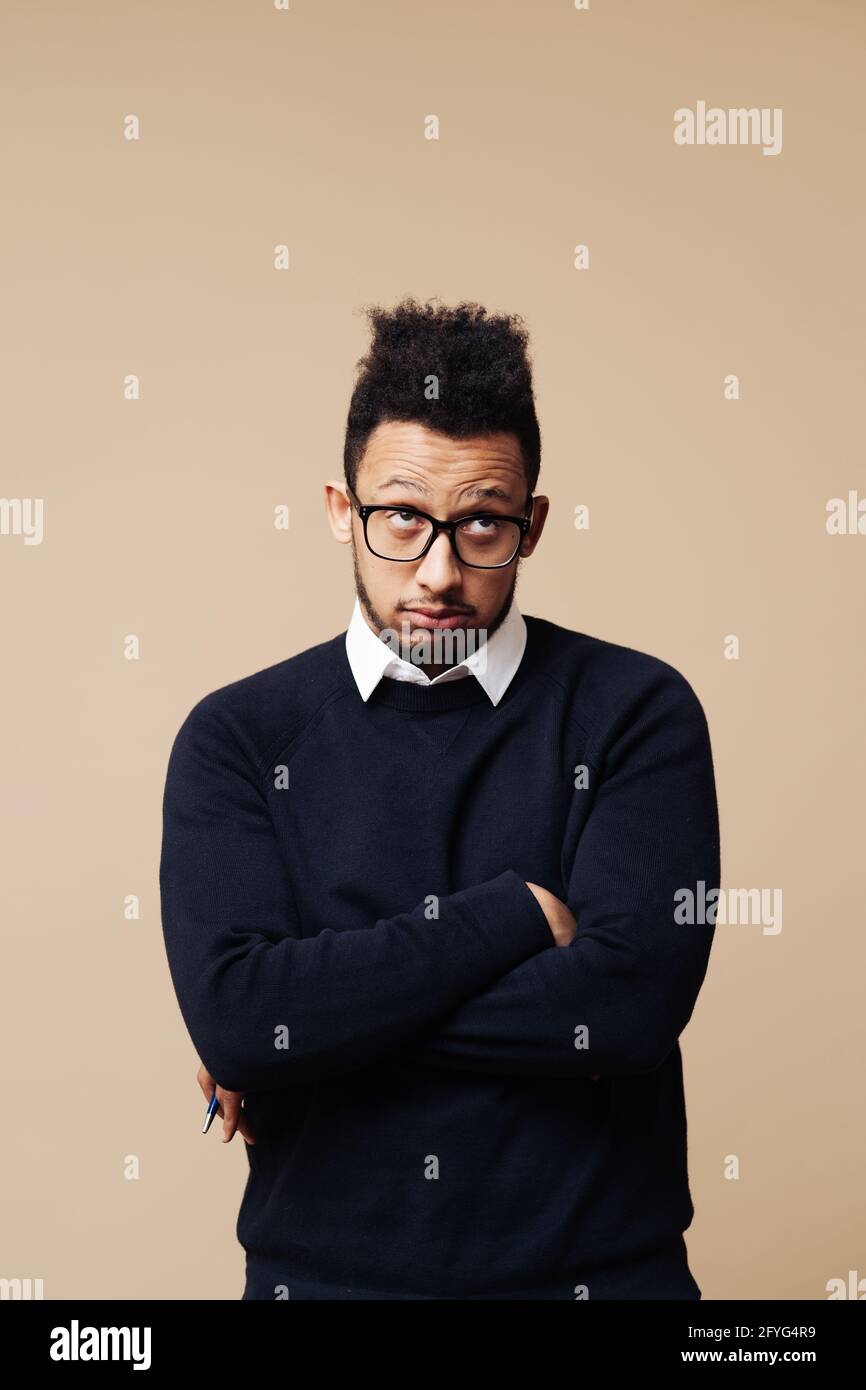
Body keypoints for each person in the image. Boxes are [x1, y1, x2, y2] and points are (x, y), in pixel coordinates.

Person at [159, 296, 720, 1300]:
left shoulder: (636, 712)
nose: (438, 571)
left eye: (481, 526)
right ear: (341, 507)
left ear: (531, 523)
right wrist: (512, 915)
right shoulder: (238, 737)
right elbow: (241, 1021)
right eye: (402, 518)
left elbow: (624, 1012)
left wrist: (307, 1022)